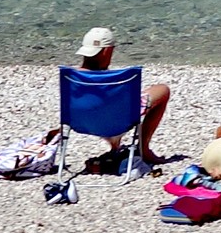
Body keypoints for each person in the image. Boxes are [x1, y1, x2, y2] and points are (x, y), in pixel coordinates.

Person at [72, 26, 172, 164]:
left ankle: (115, 146)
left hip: (83, 123)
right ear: (107, 51)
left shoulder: (71, 78)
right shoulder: (114, 79)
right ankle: (144, 149)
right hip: (118, 122)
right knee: (162, 90)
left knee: (103, 106)